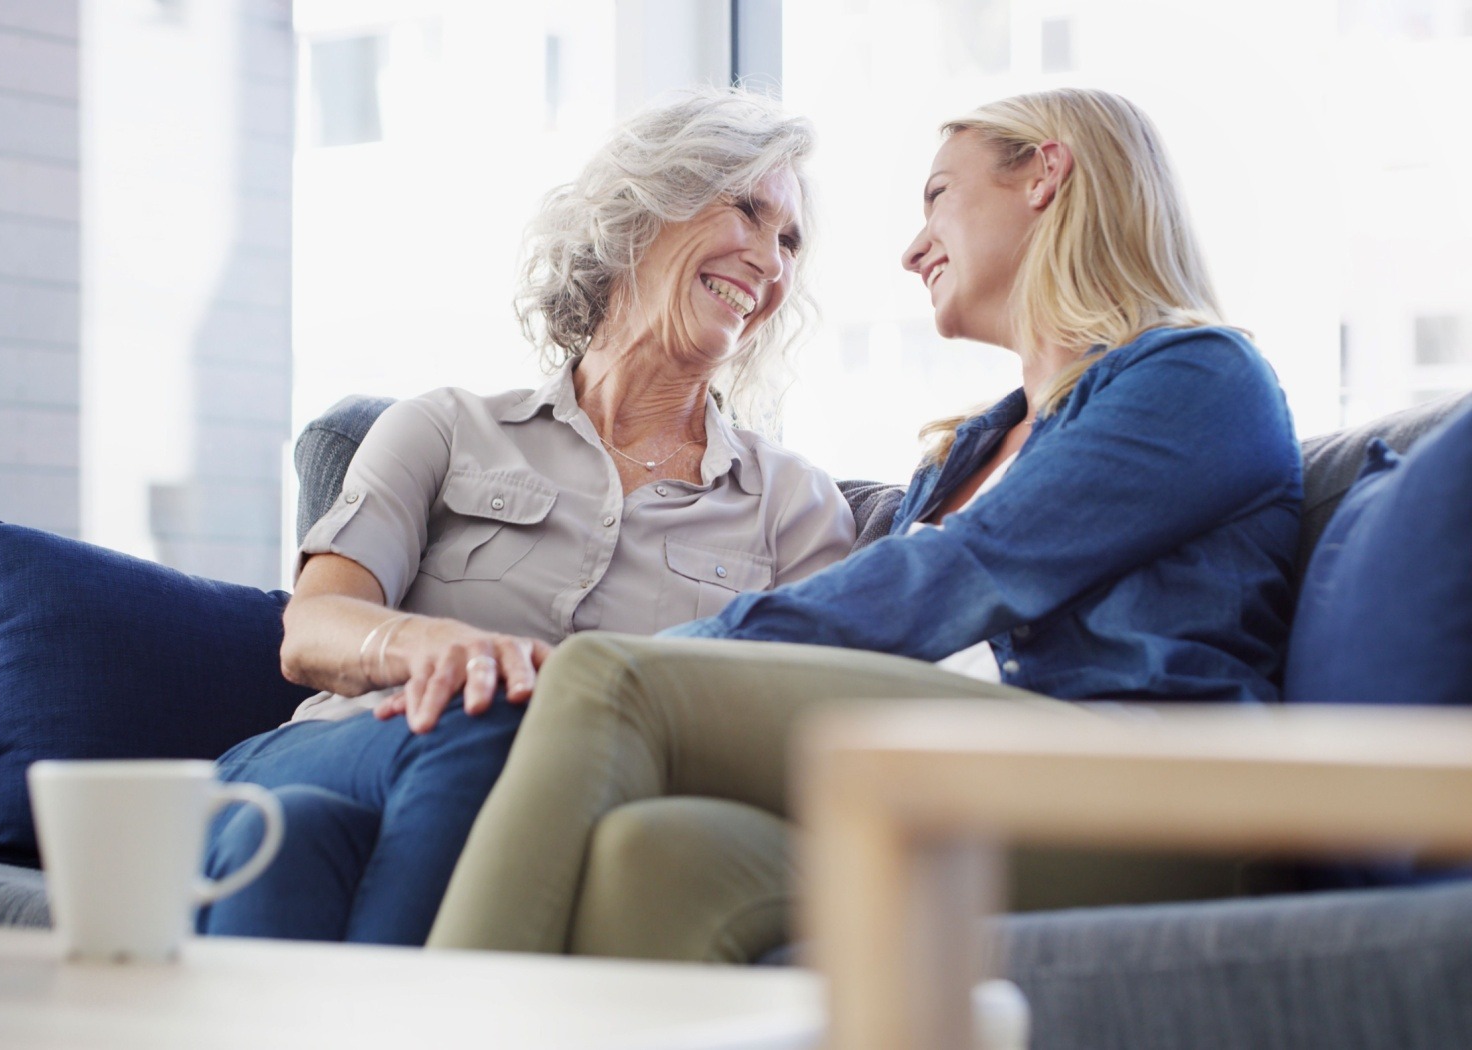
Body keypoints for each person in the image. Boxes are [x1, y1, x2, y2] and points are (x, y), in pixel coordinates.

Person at [425, 88, 1304, 961]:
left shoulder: (1199, 377)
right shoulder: (964, 455)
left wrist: (673, 660)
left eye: (937, 197)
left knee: (610, 682)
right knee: (655, 856)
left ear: (1044, 173)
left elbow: (958, 578)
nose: (913, 249)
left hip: (1142, 799)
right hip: (950, 782)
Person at [196, 88, 856, 945]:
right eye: (748, 209)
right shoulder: (443, 427)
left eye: (790, 240)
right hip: (339, 747)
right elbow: (311, 629)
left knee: (294, 844)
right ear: (642, 208)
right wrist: (437, 648)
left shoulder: (796, 509)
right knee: (486, 714)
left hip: (525, 815)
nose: (771, 259)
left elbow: (798, 737)